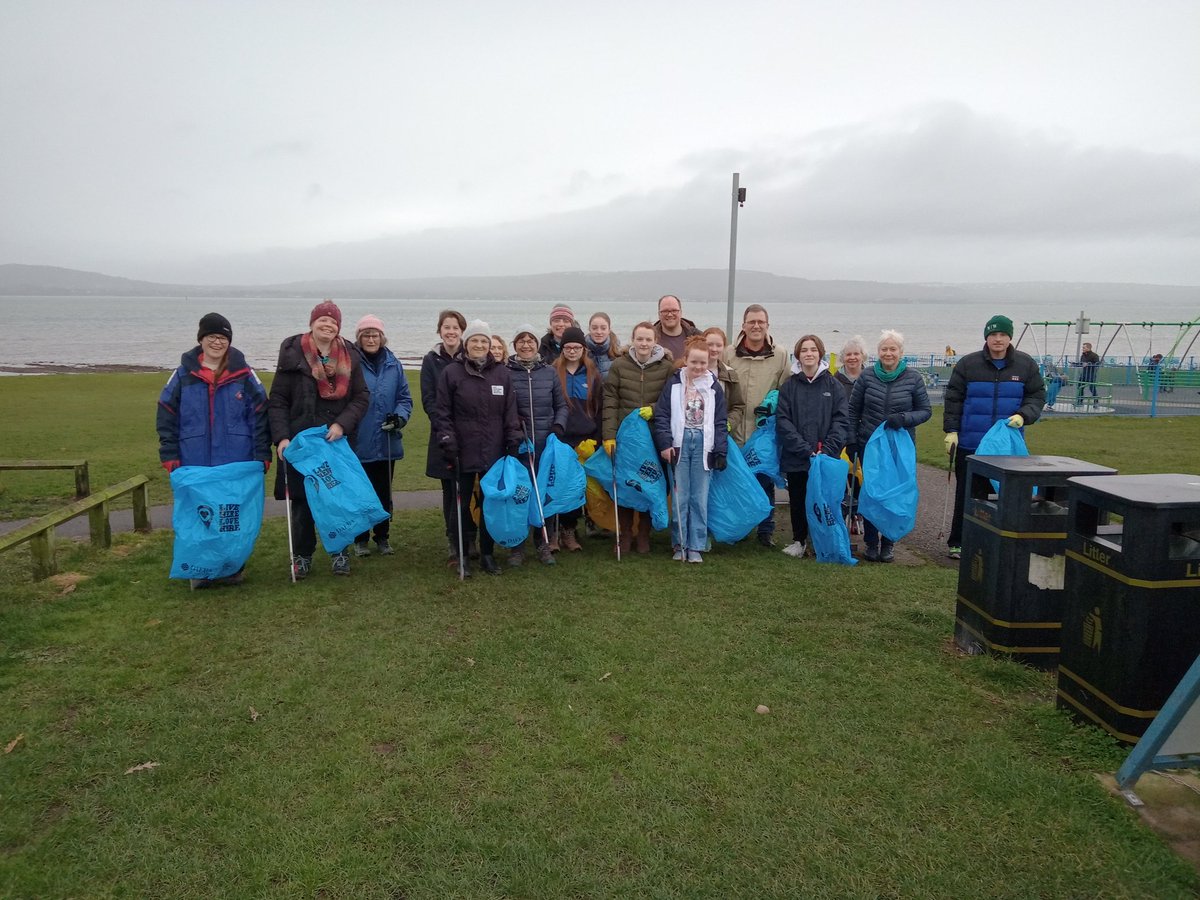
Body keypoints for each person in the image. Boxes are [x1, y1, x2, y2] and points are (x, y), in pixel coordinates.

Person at [157, 312, 270, 589]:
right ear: (201, 339)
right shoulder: (183, 375)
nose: (217, 343)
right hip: (194, 459)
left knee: (232, 516)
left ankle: (232, 568)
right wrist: (170, 455)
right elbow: (166, 415)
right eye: (212, 337)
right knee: (200, 516)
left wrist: (262, 455)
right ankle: (200, 568)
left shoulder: (244, 375)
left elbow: (261, 415)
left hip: (236, 459)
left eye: (222, 338)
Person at [269, 301, 370, 579]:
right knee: (301, 502)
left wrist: (342, 424)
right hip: (300, 443)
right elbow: (277, 400)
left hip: (334, 441)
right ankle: (301, 556)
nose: (328, 325)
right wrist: (281, 437)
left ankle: (339, 552)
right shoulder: (292, 354)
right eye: (322, 320)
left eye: (333, 322)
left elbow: (362, 397)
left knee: (336, 499)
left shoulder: (350, 355)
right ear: (312, 323)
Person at [943, 314, 1046, 559]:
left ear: (1010, 337)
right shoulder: (968, 364)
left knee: (1007, 495)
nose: (997, 339)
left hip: (1006, 446)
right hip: (971, 443)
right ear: (986, 337)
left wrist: (1024, 415)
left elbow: (1037, 396)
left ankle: (1000, 539)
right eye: (993, 335)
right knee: (968, 493)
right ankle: (959, 541)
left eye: (1002, 335)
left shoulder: (1025, 365)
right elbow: (954, 399)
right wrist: (952, 431)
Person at [433, 320, 524, 576]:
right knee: (460, 505)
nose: (480, 345)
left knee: (490, 504)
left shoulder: (502, 374)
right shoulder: (452, 373)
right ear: (466, 343)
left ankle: (487, 554)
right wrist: (448, 440)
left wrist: (512, 439)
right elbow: (442, 413)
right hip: (461, 449)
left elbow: (510, 412)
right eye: (475, 340)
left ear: (489, 345)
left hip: (493, 449)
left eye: (484, 341)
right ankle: (461, 555)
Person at [848, 330, 932, 562]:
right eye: (884, 349)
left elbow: (926, 411)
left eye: (892, 349)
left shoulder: (913, 378)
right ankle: (872, 542)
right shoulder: (866, 377)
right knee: (873, 492)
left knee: (894, 494)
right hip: (870, 445)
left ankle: (889, 542)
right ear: (878, 353)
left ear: (901, 352)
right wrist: (852, 439)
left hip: (899, 446)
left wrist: (904, 418)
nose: (888, 353)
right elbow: (853, 410)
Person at [653, 336, 728, 563]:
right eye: (694, 362)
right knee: (680, 496)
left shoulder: (714, 386)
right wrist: (665, 443)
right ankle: (680, 543)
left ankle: (696, 544)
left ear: (709, 362)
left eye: (703, 363)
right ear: (685, 360)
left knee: (699, 497)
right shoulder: (674, 383)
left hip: (704, 445)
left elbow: (720, 421)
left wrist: (721, 450)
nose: (698, 367)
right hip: (680, 443)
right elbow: (662, 415)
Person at [603, 321, 675, 554]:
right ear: (632, 340)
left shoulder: (667, 367)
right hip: (626, 438)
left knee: (649, 483)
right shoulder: (619, 366)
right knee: (625, 484)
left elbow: (671, 399)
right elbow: (610, 402)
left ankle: (644, 533)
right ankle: (625, 534)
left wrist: (654, 408)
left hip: (654, 436)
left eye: (648, 339)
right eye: (639, 339)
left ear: (655, 341)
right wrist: (609, 436)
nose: (643, 343)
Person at [776, 334, 848, 559]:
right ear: (798, 355)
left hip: (825, 457)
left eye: (813, 349)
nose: (809, 353)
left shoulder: (833, 385)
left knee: (823, 499)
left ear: (820, 353)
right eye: (804, 350)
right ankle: (799, 540)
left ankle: (822, 540)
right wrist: (804, 449)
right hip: (798, 456)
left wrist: (826, 449)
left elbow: (841, 420)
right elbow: (783, 420)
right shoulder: (789, 386)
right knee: (798, 499)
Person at [725, 304, 791, 547]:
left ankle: (766, 530)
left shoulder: (781, 355)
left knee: (764, 481)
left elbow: (785, 390)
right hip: (735, 430)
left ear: (767, 325)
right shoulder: (728, 354)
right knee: (737, 480)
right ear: (743, 326)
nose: (756, 326)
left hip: (763, 432)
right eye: (751, 322)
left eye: (760, 322)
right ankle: (740, 526)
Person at [351, 315, 413, 558]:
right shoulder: (351, 363)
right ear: (359, 338)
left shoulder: (393, 364)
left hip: (387, 440)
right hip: (358, 440)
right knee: (359, 492)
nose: (371, 339)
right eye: (366, 334)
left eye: (374, 334)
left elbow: (404, 398)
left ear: (382, 337)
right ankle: (360, 539)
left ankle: (383, 536)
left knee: (383, 491)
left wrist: (399, 417)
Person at [506, 324, 568, 565]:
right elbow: (502, 408)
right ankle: (517, 548)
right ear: (514, 345)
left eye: (530, 340)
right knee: (520, 495)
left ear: (537, 344)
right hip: (518, 444)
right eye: (520, 340)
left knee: (544, 495)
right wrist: (513, 428)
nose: (526, 344)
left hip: (545, 444)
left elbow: (561, 405)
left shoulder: (549, 372)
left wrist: (557, 427)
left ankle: (544, 544)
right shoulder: (506, 372)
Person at [421, 310, 469, 561]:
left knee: (470, 487)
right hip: (443, 435)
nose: (451, 332)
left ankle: (469, 537)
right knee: (450, 489)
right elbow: (429, 399)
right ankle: (454, 539)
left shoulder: (470, 356)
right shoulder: (431, 360)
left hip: (470, 434)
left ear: (463, 331)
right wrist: (445, 429)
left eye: (455, 328)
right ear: (439, 330)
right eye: (446, 327)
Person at [553, 326, 604, 551]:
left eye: (576, 347)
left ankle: (570, 530)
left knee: (579, 487)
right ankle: (556, 531)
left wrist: (597, 438)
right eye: (567, 347)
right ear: (562, 349)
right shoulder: (553, 371)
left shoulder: (593, 374)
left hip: (586, 440)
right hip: (561, 438)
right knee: (559, 485)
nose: (572, 351)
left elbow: (599, 409)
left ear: (583, 349)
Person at [834, 336, 867, 534]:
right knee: (844, 479)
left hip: (864, 437)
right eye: (848, 354)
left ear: (863, 356)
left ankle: (860, 515)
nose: (852, 358)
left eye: (856, 354)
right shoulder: (834, 380)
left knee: (862, 479)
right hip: (841, 437)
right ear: (842, 358)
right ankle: (845, 515)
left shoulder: (870, 378)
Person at [702, 327, 745, 440]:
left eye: (719, 345)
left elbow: (738, 406)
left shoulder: (730, 374)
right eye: (709, 344)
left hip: (719, 435)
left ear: (724, 347)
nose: (714, 349)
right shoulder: (687, 371)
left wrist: (729, 423)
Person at [653, 294, 701, 362]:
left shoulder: (697, 337)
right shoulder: (649, 339)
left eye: (674, 310)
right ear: (659, 314)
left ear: (681, 312)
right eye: (665, 311)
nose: (670, 314)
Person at [586, 312, 621, 378]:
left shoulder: (618, 353)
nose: (599, 332)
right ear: (589, 329)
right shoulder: (581, 352)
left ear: (609, 330)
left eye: (603, 328)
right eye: (594, 328)